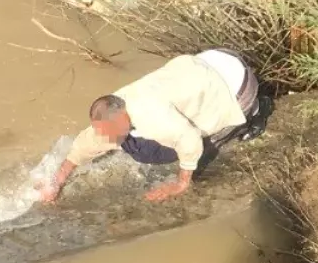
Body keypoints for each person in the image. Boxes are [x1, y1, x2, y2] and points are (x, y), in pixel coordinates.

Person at [39, 49, 267, 204]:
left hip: (238, 84)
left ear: (122, 118)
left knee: (201, 143)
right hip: (212, 59)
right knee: (135, 143)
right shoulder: (117, 104)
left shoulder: (152, 116)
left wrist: (180, 183)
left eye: (111, 133)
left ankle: (258, 110)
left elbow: (188, 140)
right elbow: (85, 144)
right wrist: (57, 181)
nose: (107, 138)